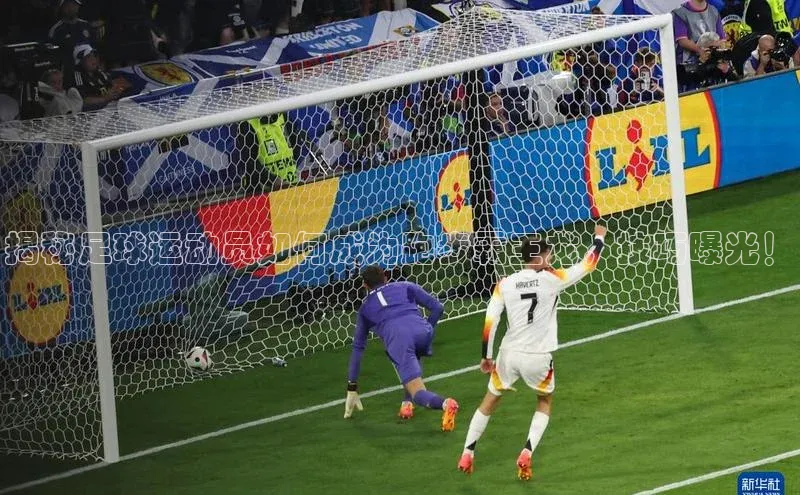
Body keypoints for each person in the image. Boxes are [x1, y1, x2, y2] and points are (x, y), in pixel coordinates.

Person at [457, 226, 607, 480]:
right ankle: (527, 451)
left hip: (508, 353)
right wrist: (599, 238)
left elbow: (491, 319)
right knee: (544, 401)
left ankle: (467, 452)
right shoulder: (553, 279)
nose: (551, 257)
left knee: (490, 400)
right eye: (548, 254)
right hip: (538, 356)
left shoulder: (505, 284)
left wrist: (486, 355)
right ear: (539, 258)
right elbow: (588, 264)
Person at [344, 265, 459, 429]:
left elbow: (358, 348)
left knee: (417, 391)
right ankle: (407, 404)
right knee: (412, 354)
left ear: (365, 286)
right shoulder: (406, 285)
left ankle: (445, 404)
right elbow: (438, 308)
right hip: (422, 331)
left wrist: (352, 387)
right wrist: (429, 328)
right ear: (386, 278)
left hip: (399, 340)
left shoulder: (365, 309)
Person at [672, 0, 727, 90]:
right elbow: (682, 40)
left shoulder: (714, 11)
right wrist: (700, 50)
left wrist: (718, 52)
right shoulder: (680, 12)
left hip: (712, 68)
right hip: (689, 68)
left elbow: (722, 40)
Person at [71, 44, 126, 110]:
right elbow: (84, 100)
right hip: (93, 112)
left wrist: (116, 91)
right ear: (80, 61)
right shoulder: (77, 77)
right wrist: (105, 98)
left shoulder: (99, 72)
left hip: (110, 107)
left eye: (94, 56)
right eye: (88, 57)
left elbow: (112, 86)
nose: (93, 59)